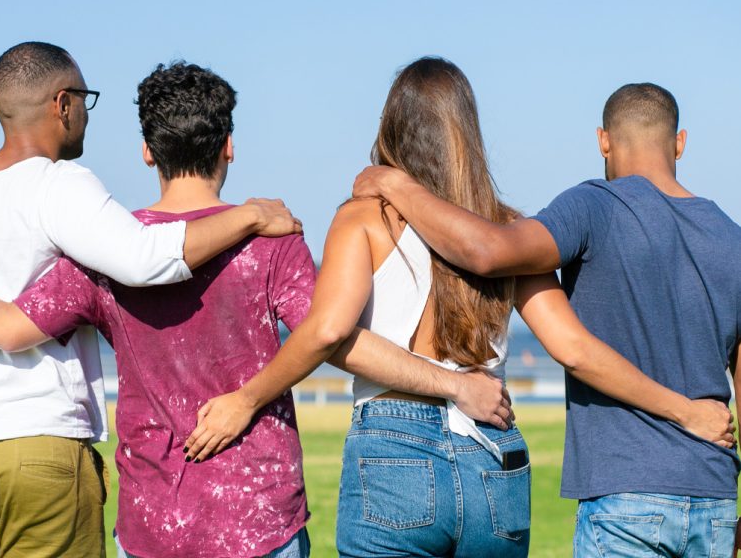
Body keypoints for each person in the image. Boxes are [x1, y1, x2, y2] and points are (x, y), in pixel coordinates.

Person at [0, 60, 519, 558]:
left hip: (152, 521)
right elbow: (336, 337)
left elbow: (8, 329)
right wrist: (454, 384)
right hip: (262, 515)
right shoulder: (272, 241)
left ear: (147, 151)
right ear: (229, 147)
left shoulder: (104, 253)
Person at [179, 58, 734, 558]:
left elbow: (327, 331)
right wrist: (685, 409)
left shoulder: (363, 217)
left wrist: (247, 399)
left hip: (393, 447)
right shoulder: (508, 224)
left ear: (391, 127)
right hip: (494, 450)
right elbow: (572, 347)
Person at [0, 41, 302, 558]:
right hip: (42, 440)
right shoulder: (60, 186)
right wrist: (249, 216)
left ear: (148, 151)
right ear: (62, 104)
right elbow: (143, 258)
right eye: (86, 102)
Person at [352, 81, 741, 557]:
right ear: (680, 143)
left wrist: (395, 183)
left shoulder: (593, 206)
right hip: (716, 496)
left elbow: (490, 252)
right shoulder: (732, 237)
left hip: (625, 494)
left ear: (603, 140)